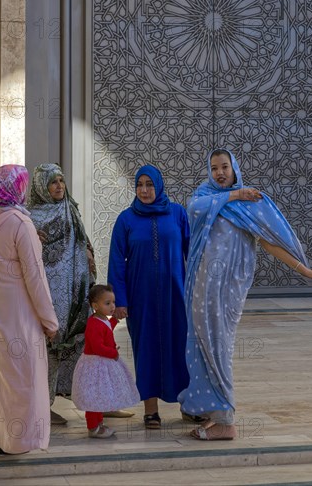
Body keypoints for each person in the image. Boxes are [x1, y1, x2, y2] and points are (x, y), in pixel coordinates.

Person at [178, 149, 312, 441]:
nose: (220, 172)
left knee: (219, 348)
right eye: (214, 167)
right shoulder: (206, 197)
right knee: (200, 345)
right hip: (200, 288)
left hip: (226, 292)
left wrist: (305, 271)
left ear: (235, 168)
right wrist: (233, 196)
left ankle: (225, 421)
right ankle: (213, 410)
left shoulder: (252, 204)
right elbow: (193, 208)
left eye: (225, 167)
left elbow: (271, 243)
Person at [0, 164, 59, 455]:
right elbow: (35, 278)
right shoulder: (20, 223)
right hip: (19, 312)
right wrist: (49, 321)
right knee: (20, 376)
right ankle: (12, 441)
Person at [108, 164, 197, 429]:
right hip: (141, 297)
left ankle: (188, 406)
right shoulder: (126, 219)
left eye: (149, 184)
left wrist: (196, 291)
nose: (144, 190)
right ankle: (151, 411)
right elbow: (116, 262)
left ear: (158, 185)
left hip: (175, 295)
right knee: (145, 350)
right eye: (140, 185)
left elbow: (192, 255)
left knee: (180, 349)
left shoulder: (178, 214)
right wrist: (120, 301)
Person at [28, 163, 95, 425]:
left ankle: (90, 402)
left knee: (72, 345)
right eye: (52, 182)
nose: (58, 187)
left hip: (73, 291)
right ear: (40, 187)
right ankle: (42, 406)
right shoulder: (29, 216)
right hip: (46, 294)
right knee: (47, 349)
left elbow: (82, 242)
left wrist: (89, 256)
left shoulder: (71, 208)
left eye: (61, 181)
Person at [71, 284, 140, 438]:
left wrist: (115, 319)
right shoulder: (93, 323)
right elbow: (97, 347)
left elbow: (107, 327)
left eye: (113, 302)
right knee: (94, 396)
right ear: (95, 306)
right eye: (107, 303)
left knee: (100, 394)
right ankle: (93, 427)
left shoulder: (101, 319)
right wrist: (113, 353)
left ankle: (99, 423)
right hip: (94, 365)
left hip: (101, 364)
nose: (112, 306)